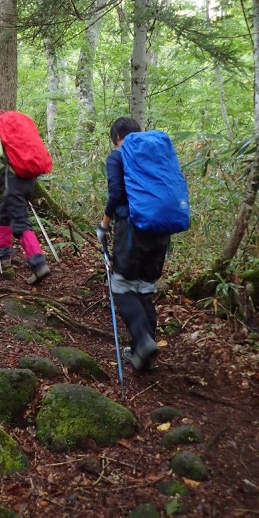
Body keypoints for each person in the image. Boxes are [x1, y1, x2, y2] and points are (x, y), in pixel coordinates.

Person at [96, 117, 170, 372]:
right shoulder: (156, 157)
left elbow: (116, 194)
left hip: (132, 229)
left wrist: (104, 225)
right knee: (144, 289)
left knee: (122, 285)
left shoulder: (117, 156)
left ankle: (143, 340)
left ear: (117, 137)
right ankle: (142, 354)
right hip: (161, 230)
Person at [0, 107, 50, 285]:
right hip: (28, 180)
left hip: (12, 181)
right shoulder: (17, 133)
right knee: (3, 216)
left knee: (19, 222)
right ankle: (2, 256)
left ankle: (38, 264)